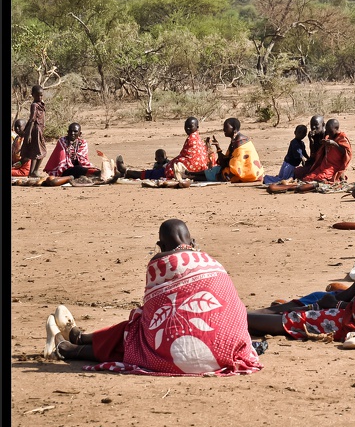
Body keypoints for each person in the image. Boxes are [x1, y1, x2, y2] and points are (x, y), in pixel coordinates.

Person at [42, 219, 262, 376]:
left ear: (161, 246)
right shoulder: (212, 261)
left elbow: (151, 311)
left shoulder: (160, 262)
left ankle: (72, 348)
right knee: (142, 329)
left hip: (178, 360)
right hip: (229, 352)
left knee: (136, 334)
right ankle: (79, 338)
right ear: (193, 242)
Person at [247, 200, 355, 344]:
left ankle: (242, 319)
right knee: (315, 300)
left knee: (301, 319)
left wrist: (336, 306)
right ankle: (257, 315)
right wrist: (332, 301)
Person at [117, 117, 210, 181]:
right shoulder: (199, 139)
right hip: (198, 170)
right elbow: (187, 156)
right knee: (159, 170)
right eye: (186, 127)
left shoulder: (191, 139)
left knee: (154, 173)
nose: (188, 129)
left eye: (190, 126)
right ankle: (128, 172)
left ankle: (127, 172)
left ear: (197, 127)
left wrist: (171, 164)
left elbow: (185, 157)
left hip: (187, 170)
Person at [188, 118, 264, 183]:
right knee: (214, 170)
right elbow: (225, 161)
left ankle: (190, 176)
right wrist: (218, 148)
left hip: (247, 174)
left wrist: (222, 166)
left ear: (234, 129)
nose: (224, 129)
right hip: (235, 169)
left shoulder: (240, 143)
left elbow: (233, 165)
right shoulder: (235, 141)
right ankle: (189, 174)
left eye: (226, 127)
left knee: (219, 174)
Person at [294, 118, 352, 183]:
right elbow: (316, 154)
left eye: (330, 131)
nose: (313, 127)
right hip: (323, 165)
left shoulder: (341, 138)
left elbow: (347, 153)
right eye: (312, 125)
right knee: (308, 178)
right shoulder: (327, 137)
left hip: (333, 166)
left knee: (319, 178)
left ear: (336, 128)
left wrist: (334, 144)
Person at [19, 84, 47, 178]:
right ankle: (33, 172)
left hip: (39, 129)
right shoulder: (34, 105)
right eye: (37, 95)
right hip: (35, 129)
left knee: (37, 151)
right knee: (39, 151)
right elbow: (32, 119)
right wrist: (29, 133)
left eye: (41, 95)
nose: (40, 97)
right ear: (33, 95)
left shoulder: (40, 104)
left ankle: (33, 172)